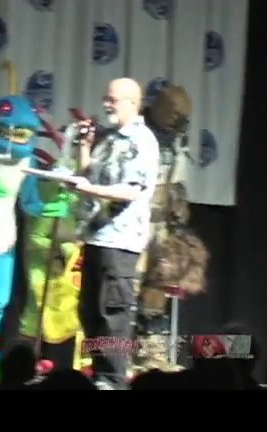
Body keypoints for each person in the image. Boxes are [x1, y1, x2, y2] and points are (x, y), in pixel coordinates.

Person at [74, 78, 160, 390]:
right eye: (105, 98)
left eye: (113, 100)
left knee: (113, 313)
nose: (106, 104)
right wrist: (84, 146)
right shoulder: (109, 138)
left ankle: (113, 379)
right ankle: (100, 374)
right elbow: (89, 174)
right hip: (96, 235)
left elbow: (130, 190)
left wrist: (90, 189)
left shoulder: (141, 140)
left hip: (120, 240)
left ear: (132, 103)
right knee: (90, 310)